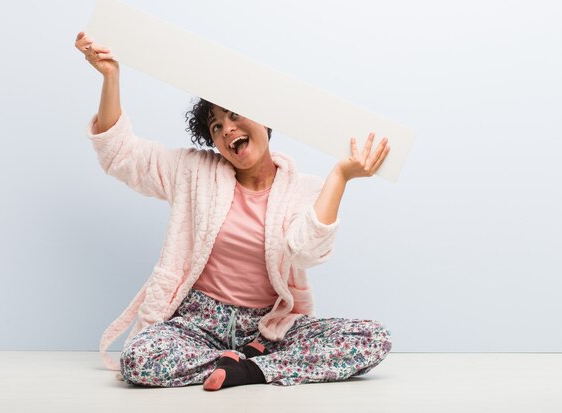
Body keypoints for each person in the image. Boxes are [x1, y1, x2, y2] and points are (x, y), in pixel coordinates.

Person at [75, 31, 393, 390]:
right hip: (198, 322)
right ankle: (241, 364)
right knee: (139, 358)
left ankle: (251, 370)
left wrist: (341, 175)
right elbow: (122, 155)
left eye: (234, 116)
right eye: (216, 127)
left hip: (268, 327)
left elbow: (306, 253)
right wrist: (111, 77)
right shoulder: (194, 172)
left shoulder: (306, 189)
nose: (227, 130)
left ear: (265, 121)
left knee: (371, 337)